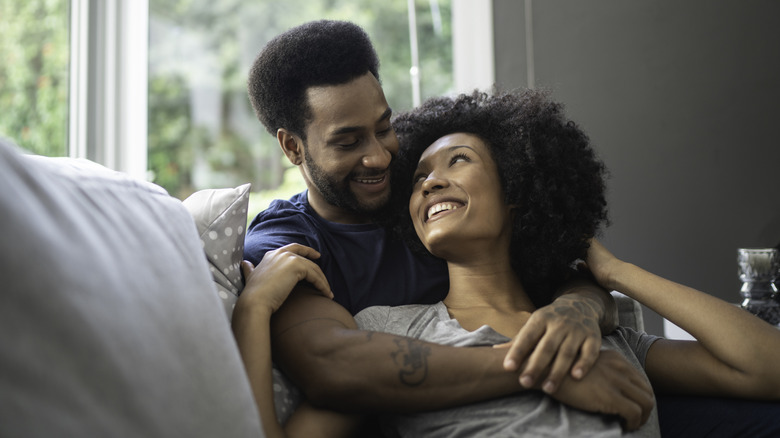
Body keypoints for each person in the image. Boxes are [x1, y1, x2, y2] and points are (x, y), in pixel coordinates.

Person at [236, 19, 623, 436]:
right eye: (348, 142)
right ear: (293, 147)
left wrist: (578, 308)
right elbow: (333, 365)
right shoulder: (286, 240)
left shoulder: (425, 189)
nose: (379, 158)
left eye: (384, 128)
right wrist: (545, 367)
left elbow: (566, 273)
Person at [347, 89, 780, 436]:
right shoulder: (389, 326)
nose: (429, 183)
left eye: (457, 160)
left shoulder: (606, 338)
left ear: (516, 189)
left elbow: (768, 367)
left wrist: (617, 273)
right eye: (419, 177)